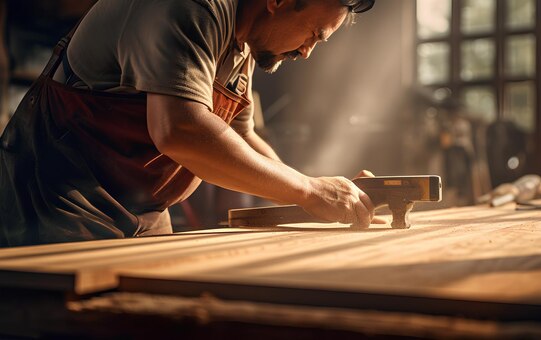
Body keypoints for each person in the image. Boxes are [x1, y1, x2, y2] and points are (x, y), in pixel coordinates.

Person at [0, 0, 376, 247]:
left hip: (143, 213)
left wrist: (325, 192)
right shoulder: (193, 7)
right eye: (313, 34)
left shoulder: (242, 42)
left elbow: (239, 136)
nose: (308, 51)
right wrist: (307, 191)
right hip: (57, 201)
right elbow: (179, 129)